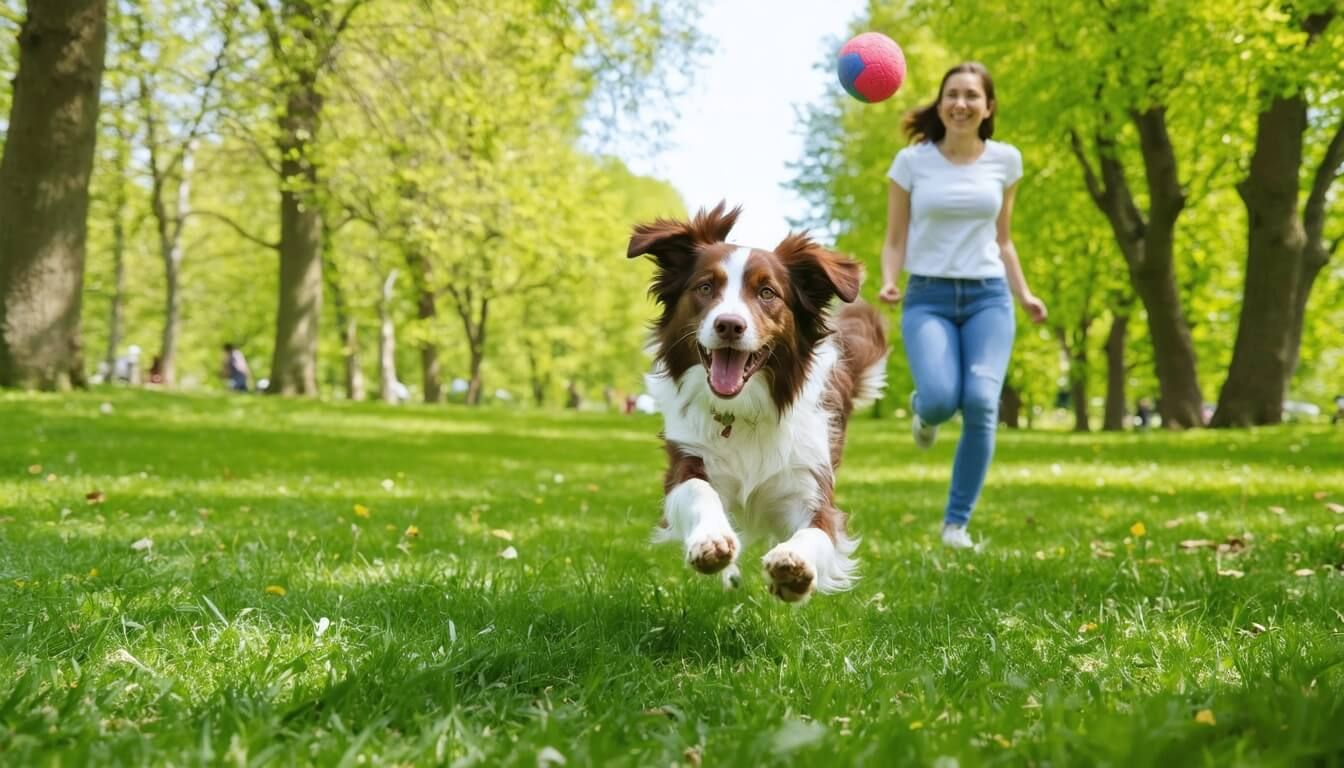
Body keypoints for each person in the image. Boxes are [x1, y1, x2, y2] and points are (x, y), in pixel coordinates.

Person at [877, 62, 1048, 550]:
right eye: (952, 94)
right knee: (938, 398)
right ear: (940, 102)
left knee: (979, 401)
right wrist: (891, 280)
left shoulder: (1006, 161)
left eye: (972, 95)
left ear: (988, 107)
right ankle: (922, 411)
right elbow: (895, 238)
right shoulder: (912, 163)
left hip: (988, 296)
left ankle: (956, 524)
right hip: (927, 295)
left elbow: (1005, 239)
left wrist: (1025, 293)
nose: (961, 103)